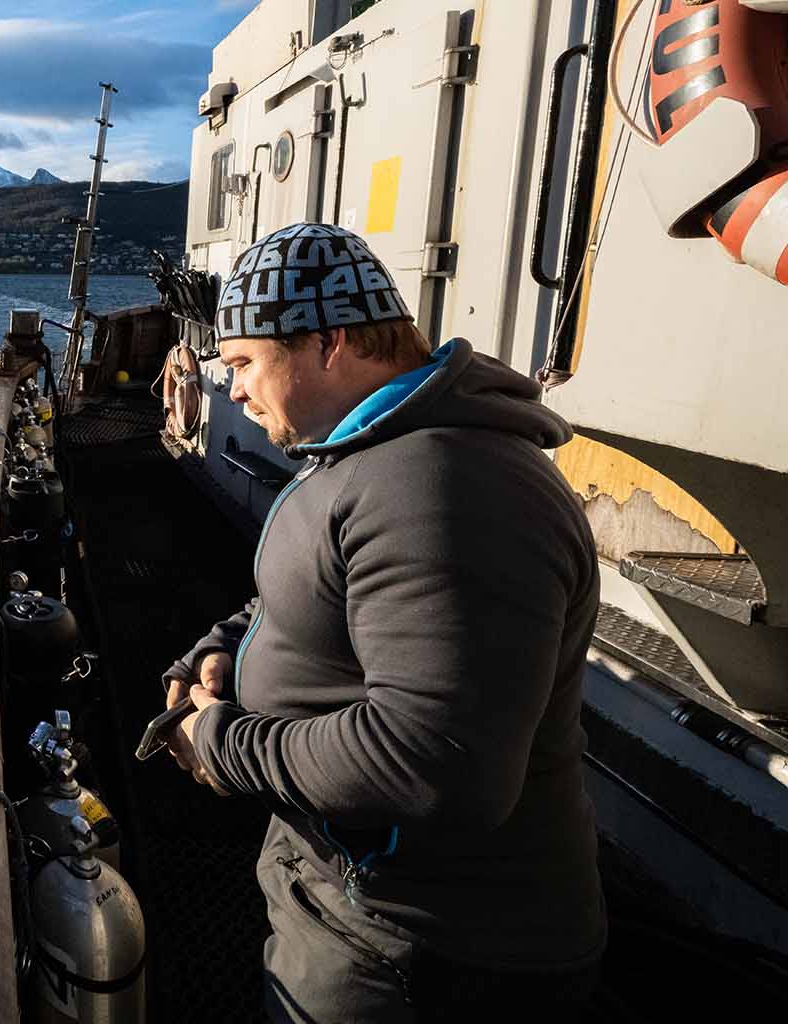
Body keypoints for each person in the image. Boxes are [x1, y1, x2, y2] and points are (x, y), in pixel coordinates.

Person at [162, 222, 605, 1022]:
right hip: (357, 904)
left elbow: (436, 760)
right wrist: (227, 643)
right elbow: (317, 595)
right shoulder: (375, 454)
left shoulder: (445, 486)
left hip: (422, 954)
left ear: (329, 341)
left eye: (243, 365)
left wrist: (222, 744)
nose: (230, 391)